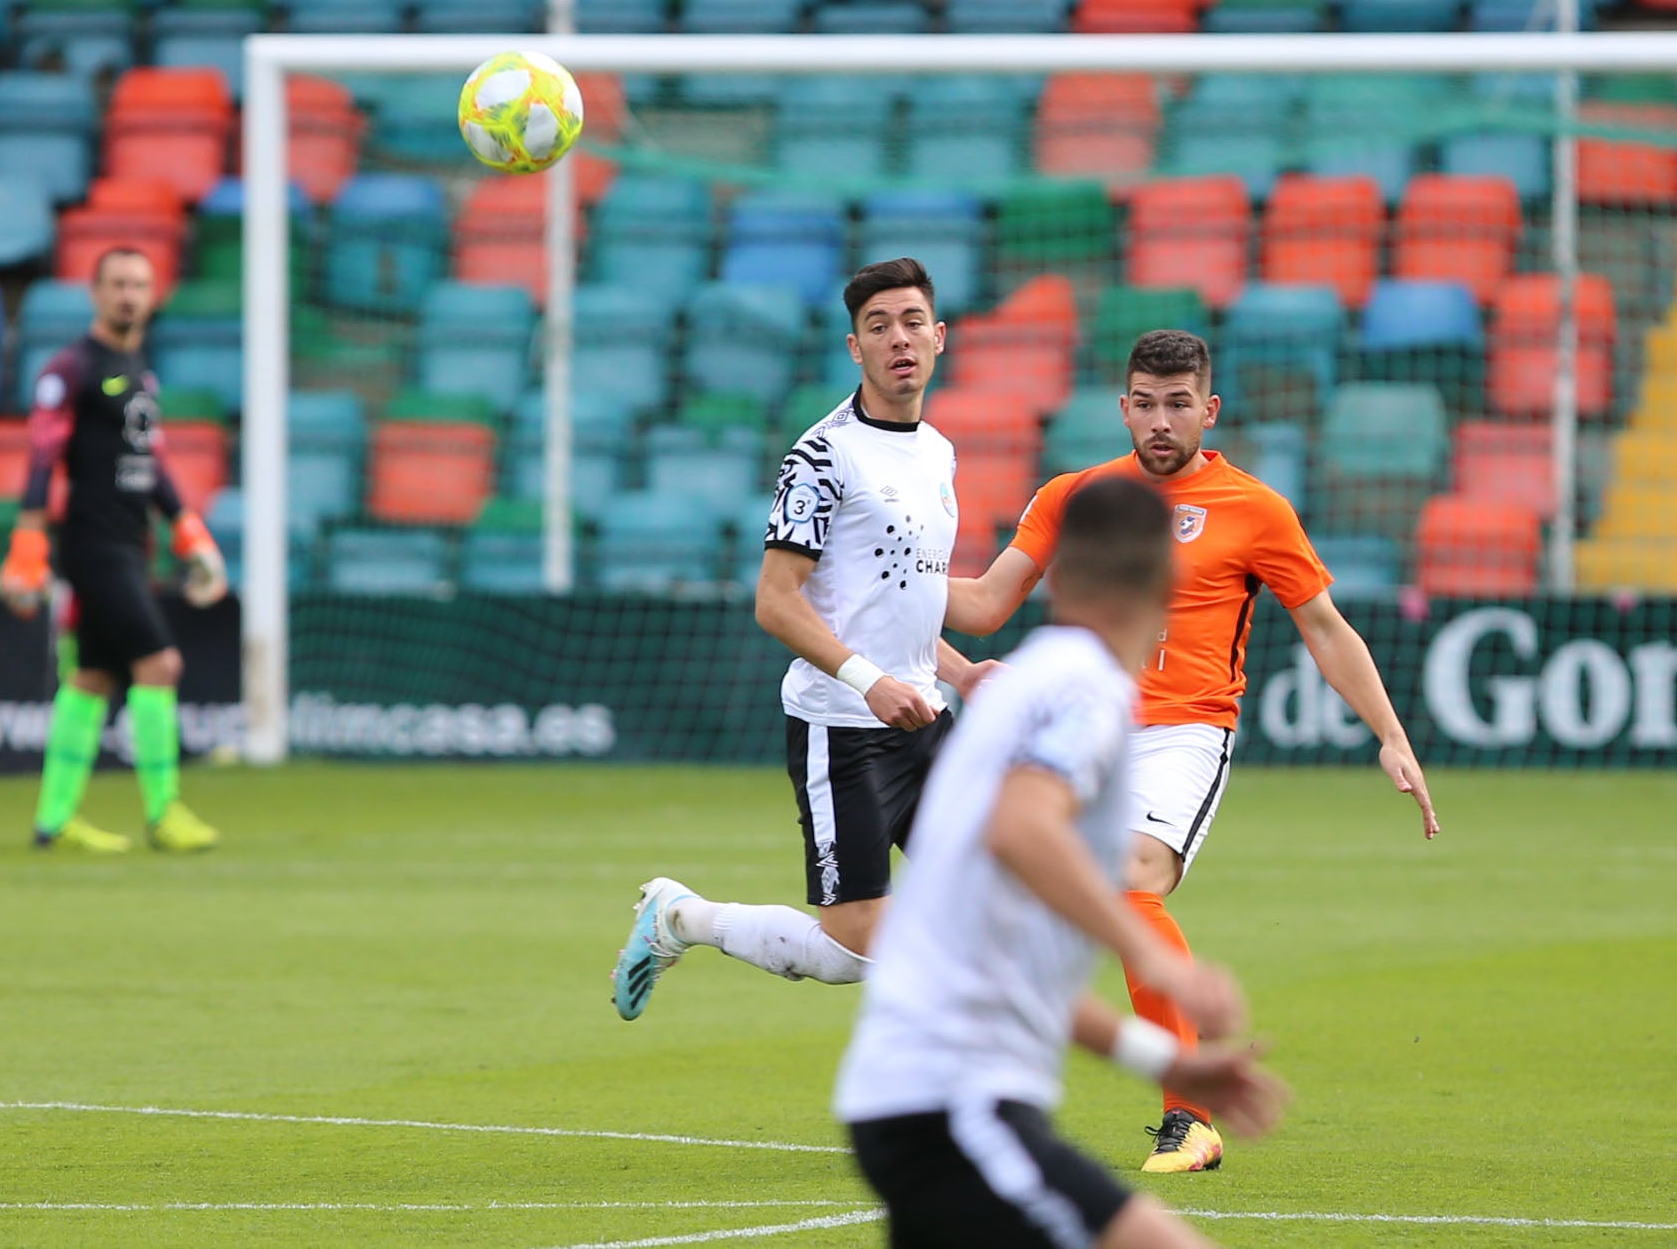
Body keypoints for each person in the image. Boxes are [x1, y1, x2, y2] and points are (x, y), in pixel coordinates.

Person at [945, 328, 1438, 1174]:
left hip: (1183, 732)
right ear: (1124, 406)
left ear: (1208, 409)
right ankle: (985, 1099)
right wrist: (885, 581)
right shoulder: (1078, 494)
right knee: (1005, 904)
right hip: (1079, 728)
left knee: (1132, 876)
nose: (1163, 420)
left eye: (1180, 404)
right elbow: (988, 604)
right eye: (1147, 402)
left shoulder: (1256, 508)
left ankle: (1191, 1116)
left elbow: (1323, 625)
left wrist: (1389, 734)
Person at [837, 476, 1288, 1249]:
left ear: (1058, 577)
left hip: (916, 1099)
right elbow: (1023, 827)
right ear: (1167, 586)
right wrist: (1157, 957)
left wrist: (1168, 1058)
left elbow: (1016, 971)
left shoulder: (1020, 689)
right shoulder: (1085, 689)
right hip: (953, 1106)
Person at [613, 257, 998, 1020]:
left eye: (913, 322)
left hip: (923, 717)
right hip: (843, 731)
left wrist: (956, 670)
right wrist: (870, 681)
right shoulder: (823, 455)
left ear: (941, 337)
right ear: (855, 348)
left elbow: (895, 594)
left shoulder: (938, 452)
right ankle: (680, 918)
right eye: (878, 326)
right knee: (853, 950)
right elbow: (777, 601)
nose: (899, 339)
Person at [0, 247, 228, 854]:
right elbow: (43, 452)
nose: (129, 295)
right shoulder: (71, 368)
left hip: (130, 540)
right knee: (160, 665)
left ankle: (55, 818)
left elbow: (151, 463)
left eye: (140, 285)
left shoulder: (140, 370)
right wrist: (28, 538)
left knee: (94, 678)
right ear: (95, 293)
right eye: (118, 284)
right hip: (94, 544)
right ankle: (163, 813)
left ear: (153, 295)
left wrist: (188, 529)